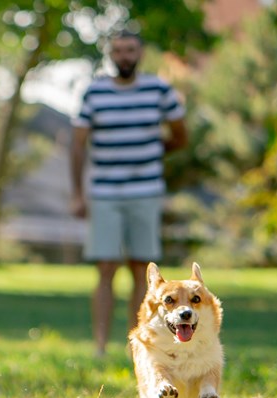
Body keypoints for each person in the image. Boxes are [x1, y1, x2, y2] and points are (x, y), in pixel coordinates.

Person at [70, 30, 188, 357]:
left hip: (145, 191)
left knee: (142, 270)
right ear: (110, 54)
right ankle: (100, 346)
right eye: (118, 50)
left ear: (140, 53)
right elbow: (77, 144)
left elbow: (181, 135)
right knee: (105, 269)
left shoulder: (159, 89)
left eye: (130, 50)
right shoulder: (94, 92)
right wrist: (77, 193)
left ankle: (139, 346)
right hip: (105, 192)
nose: (124, 56)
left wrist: (149, 152)